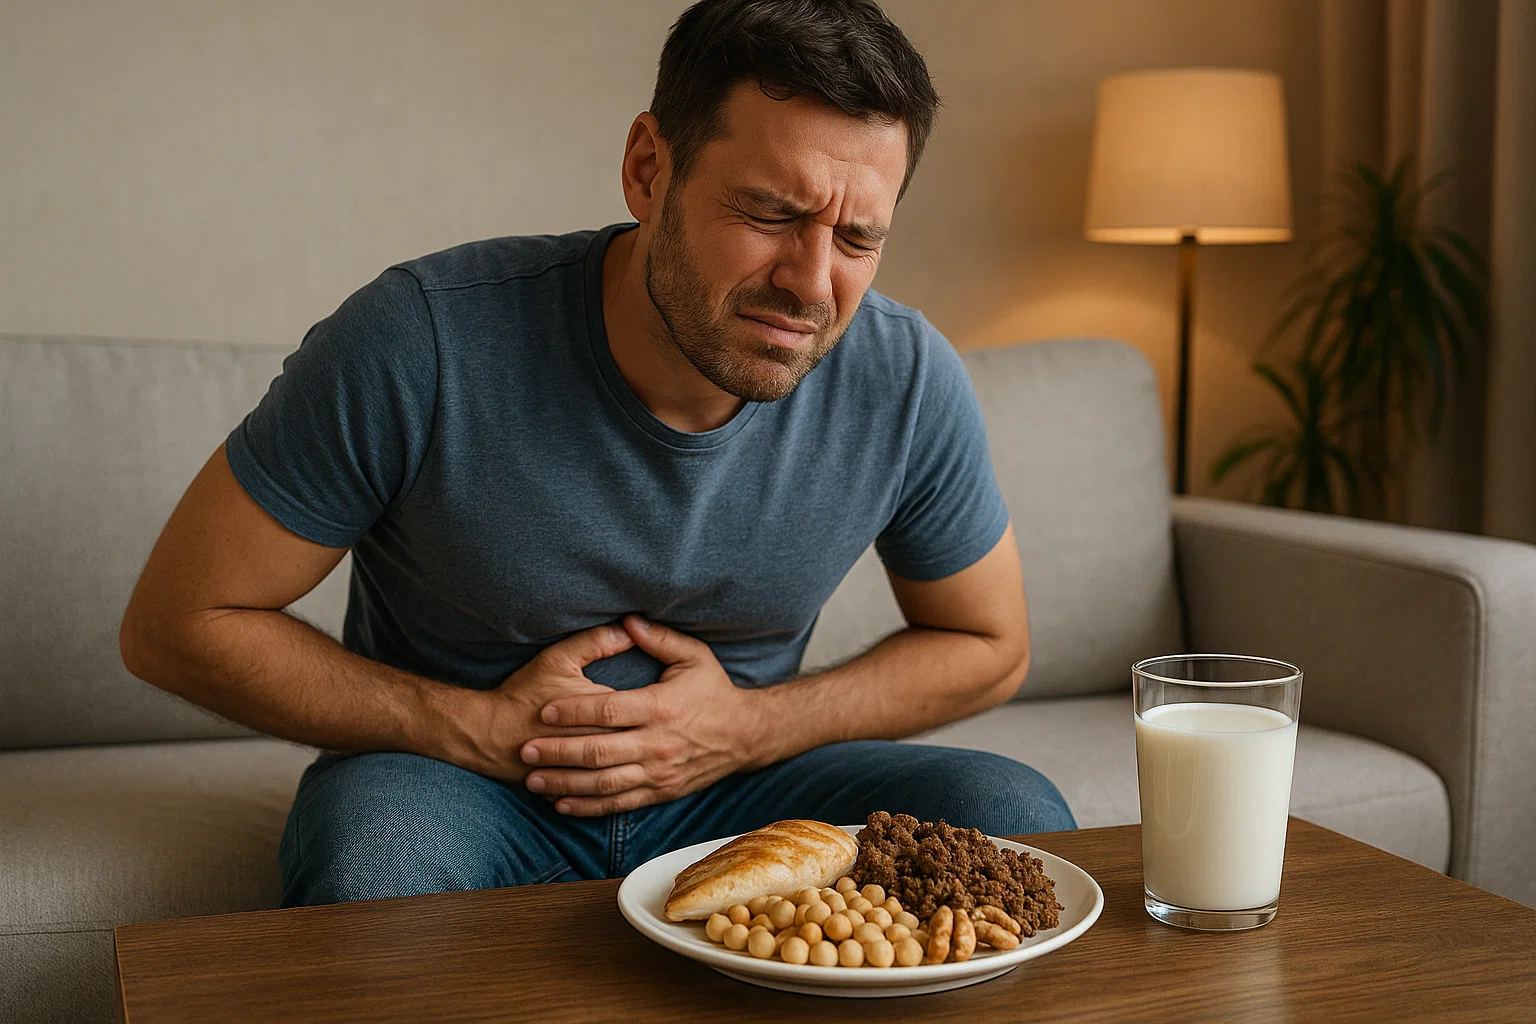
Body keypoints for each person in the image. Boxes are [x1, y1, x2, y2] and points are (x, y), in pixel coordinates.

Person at [119, 0, 1075, 908]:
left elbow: (989, 644)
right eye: (772, 215)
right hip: (455, 781)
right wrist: (481, 728)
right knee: (377, 867)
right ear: (649, 168)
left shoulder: (905, 377)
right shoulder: (423, 339)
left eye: (858, 238)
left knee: (1011, 816)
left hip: (746, 784)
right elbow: (179, 621)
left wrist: (747, 729)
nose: (811, 284)